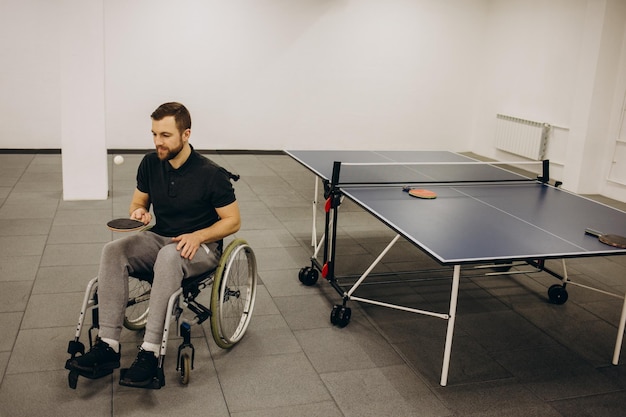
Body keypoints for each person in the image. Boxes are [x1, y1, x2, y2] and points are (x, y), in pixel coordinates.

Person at [67, 102, 241, 388]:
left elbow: (232, 221)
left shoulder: (212, 175)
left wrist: (198, 236)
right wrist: (140, 212)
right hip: (161, 237)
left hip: (201, 247)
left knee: (169, 257)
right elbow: (139, 201)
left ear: (186, 134)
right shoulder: (150, 163)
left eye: (165, 135)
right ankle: (108, 344)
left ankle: (150, 352)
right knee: (113, 251)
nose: (158, 142)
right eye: (154, 134)